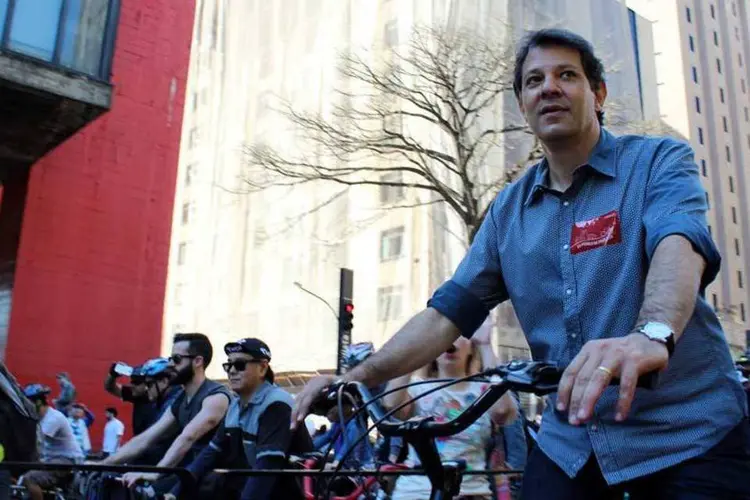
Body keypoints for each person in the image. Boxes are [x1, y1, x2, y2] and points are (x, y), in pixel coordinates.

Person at [293, 28, 750, 499]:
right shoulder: (507, 211)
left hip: (689, 435)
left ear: (598, 93)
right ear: (523, 104)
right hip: (572, 442)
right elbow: (446, 313)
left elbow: (679, 241)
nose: (548, 87)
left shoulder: (658, 161)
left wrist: (652, 334)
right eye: (534, 80)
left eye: (566, 75)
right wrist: (354, 379)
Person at [383, 319, 516, 499]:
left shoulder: (484, 390)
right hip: (415, 492)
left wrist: (485, 344)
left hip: (470, 493)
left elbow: (502, 411)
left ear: (471, 347)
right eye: (444, 336)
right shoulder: (417, 388)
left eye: (459, 335)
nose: (450, 341)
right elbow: (391, 404)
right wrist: (415, 347)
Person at [167, 337, 312, 500]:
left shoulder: (276, 404)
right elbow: (210, 454)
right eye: (228, 365)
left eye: (240, 365)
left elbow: (266, 469)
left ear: (263, 368)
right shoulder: (236, 405)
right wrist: (174, 492)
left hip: (293, 491)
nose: (232, 371)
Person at [99, 333, 232, 492]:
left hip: (217, 485)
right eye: (170, 359)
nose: (170, 365)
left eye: (176, 359)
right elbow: (146, 438)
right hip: (191, 479)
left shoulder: (216, 397)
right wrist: (102, 465)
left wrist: (157, 473)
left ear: (198, 361)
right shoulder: (181, 400)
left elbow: (188, 437)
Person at [20, 384, 83, 500]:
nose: (25, 406)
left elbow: (36, 442)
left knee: (30, 479)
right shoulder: (40, 418)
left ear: (38, 402)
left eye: (27, 402)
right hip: (52, 459)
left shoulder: (53, 418)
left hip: (66, 460)